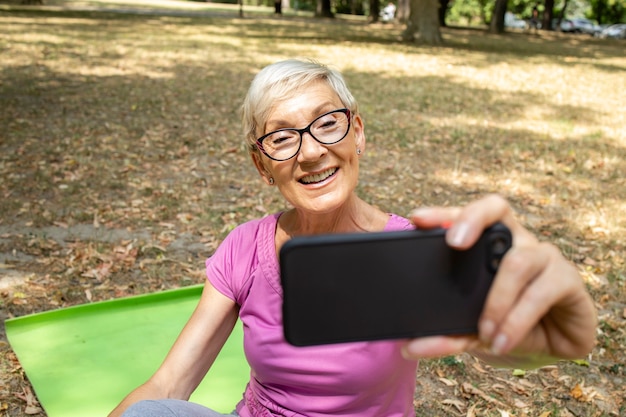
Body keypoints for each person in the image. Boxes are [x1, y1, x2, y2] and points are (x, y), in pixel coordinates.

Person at [109, 59, 597, 417]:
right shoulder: (244, 247)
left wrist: (547, 339)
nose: (311, 152)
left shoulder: (407, 252)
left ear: (357, 133)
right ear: (262, 165)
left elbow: (498, 345)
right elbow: (170, 382)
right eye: (281, 137)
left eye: (327, 123)